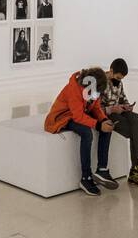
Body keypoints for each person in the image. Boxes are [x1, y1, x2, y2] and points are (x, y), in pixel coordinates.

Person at [44, 67, 118, 196]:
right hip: (62, 117)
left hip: (76, 114)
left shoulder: (93, 87)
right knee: (86, 133)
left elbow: (95, 107)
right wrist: (98, 125)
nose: (98, 94)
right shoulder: (74, 88)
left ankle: (102, 169)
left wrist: (104, 120)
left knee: (107, 128)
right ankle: (86, 178)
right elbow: (77, 116)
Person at [102, 59, 138, 187]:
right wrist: (111, 109)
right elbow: (95, 107)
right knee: (134, 131)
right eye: (117, 77)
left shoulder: (119, 83)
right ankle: (135, 170)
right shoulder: (101, 82)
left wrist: (127, 106)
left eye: (121, 78)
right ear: (111, 71)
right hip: (108, 114)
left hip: (120, 111)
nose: (119, 80)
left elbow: (123, 98)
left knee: (137, 118)